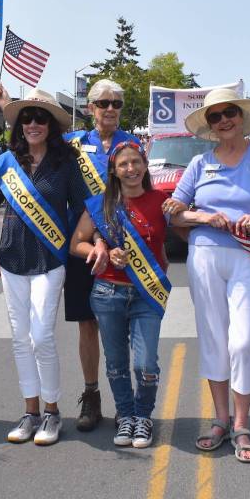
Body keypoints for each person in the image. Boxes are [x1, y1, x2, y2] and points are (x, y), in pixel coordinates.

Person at [163, 88, 250, 463]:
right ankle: (221, 420)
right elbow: (174, 211)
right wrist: (201, 215)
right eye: (215, 116)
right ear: (209, 124)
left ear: (241, 117)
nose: (224, 120)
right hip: (206, 253)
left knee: (243, 342)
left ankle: (243, 423)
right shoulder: (199, 164)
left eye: (230, 113)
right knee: (213, 339)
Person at [0, 78, 140, 432]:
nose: (109, 109)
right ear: (89, 109)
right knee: (86, 323)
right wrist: (7, 107)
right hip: (79, 246)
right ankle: (91, 396)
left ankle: (128, 403)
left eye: (115, 104)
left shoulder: (134, 146)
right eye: (102, 103)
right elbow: (30, 134)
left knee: (125, 325)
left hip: (124, 245)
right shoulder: (73, 145)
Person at [0, 88, 90, 446]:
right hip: (13, 255)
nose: (33, 124)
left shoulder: (67, 162)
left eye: (40, 118)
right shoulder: (9, 161)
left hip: (50, 257)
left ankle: (52, 410)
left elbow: (84, 207)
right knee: (20, 337)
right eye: (27, 118)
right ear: (19, 125)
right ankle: (30, 411)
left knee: (42, 335)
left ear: (51, 124)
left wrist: (86, 243)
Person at [70, 142, 169, 448]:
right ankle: (125, 416)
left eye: (136, 162)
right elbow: (76, 244)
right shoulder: (101, 204)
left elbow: (184, 228)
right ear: (114, 170)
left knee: (145, 364)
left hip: (146, 294)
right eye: (124, 164)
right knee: (115, 362)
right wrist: (100, 249)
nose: (131, 169)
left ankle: (143, 415)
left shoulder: (162, 201)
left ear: (145, 165)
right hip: (107, 293)